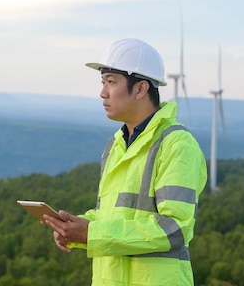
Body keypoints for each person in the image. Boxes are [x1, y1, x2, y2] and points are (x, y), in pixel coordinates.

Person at [43, 38, 208, 285]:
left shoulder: (176, 144)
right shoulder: (116, 144)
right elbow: (114, 216)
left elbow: (175, 228)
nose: (102, 92)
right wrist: (75, 230)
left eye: (111, 82)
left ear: (140, 89)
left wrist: (92, 233)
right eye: (102, 82)